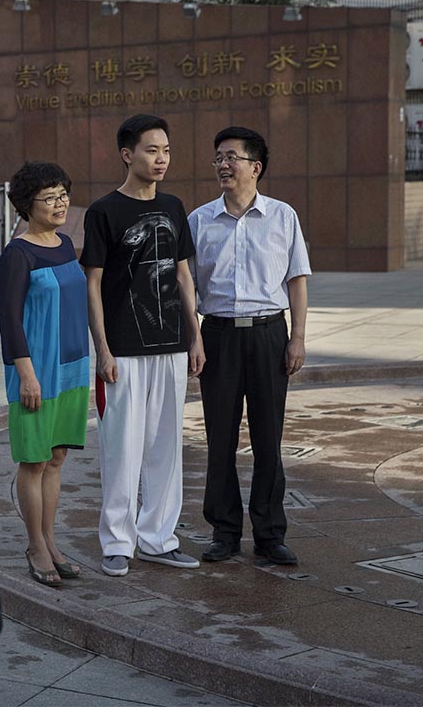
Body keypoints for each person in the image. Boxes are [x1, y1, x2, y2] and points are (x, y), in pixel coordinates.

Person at [80, 114, 205, 578]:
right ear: (127, 154)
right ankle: (118, 542)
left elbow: (183, 274)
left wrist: (194, 336)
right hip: (125, 352)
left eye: (167, 151)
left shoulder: (174, 207)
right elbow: (92, 284)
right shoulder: (103, 212)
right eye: (152, 150)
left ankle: (158, 538)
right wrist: (104, 349)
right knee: (122, 448)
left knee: (166, 448)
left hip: (171, 346)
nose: (161, 159)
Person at [187, 126, 311, 566]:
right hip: (218, 335)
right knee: (219, 438)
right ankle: (223, 531)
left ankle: (269, 534)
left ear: (255, 167)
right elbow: (187, 286)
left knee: (267, 439)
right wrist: (193, 336)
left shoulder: (282, 217)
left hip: (268, 335)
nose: (223, 164)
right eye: (218, 156)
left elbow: (296, 280)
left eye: (232, 157)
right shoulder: (199, 221)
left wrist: (296, 337)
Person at [0, 162, 89, 588]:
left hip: (70, 367)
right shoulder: (18, 254)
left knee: (56, 458)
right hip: (37, 370)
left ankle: (51, 541)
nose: (60, 203)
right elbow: (10, 322)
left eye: (63, 194)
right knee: (33, 461)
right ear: (26, 205)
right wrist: (27, 376)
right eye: (49, 197)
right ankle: (35, 545)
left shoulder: (66, 244)